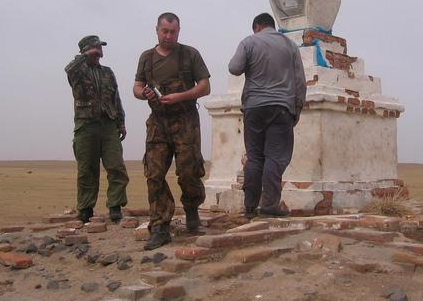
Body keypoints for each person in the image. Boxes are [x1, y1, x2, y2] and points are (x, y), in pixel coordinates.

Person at [133, 13, 210, 250]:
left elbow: (205, 86)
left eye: (173, 32)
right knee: (154, 175)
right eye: (164, 31)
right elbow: (136, 87)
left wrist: (181, 96)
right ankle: (160, 226)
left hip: (185, 121)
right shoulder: (146, 58)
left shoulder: (190, 54)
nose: (168, 36)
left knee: (188, 172)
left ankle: (191, 209)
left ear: (179, 31)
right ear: (156, 30)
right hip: (158, 123)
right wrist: (142, 93)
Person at [228, 13, 306, 217]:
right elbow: (300, 82)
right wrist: (296, 110)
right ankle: (270, 206)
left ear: (257, 27)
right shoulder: (290, 46)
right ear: (272, 26)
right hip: (281, 109)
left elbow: (234, 68)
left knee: (254, 157)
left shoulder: (249, 42)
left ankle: (250, 207)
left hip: (254, 108)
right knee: (275, 157)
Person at [65, 35, 129, 224]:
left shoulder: (107, 72)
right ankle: (85, 209)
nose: (99, 51)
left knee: (116, 166)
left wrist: (121, 122)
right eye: (95, 47)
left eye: (100, 47)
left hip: (108, 124)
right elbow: (68, 70)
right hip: (86, 125)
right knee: (87, 170)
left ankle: (115, 207)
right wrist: (84, 57)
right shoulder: (77, 71)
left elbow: (116, 98)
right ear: (85, 50)